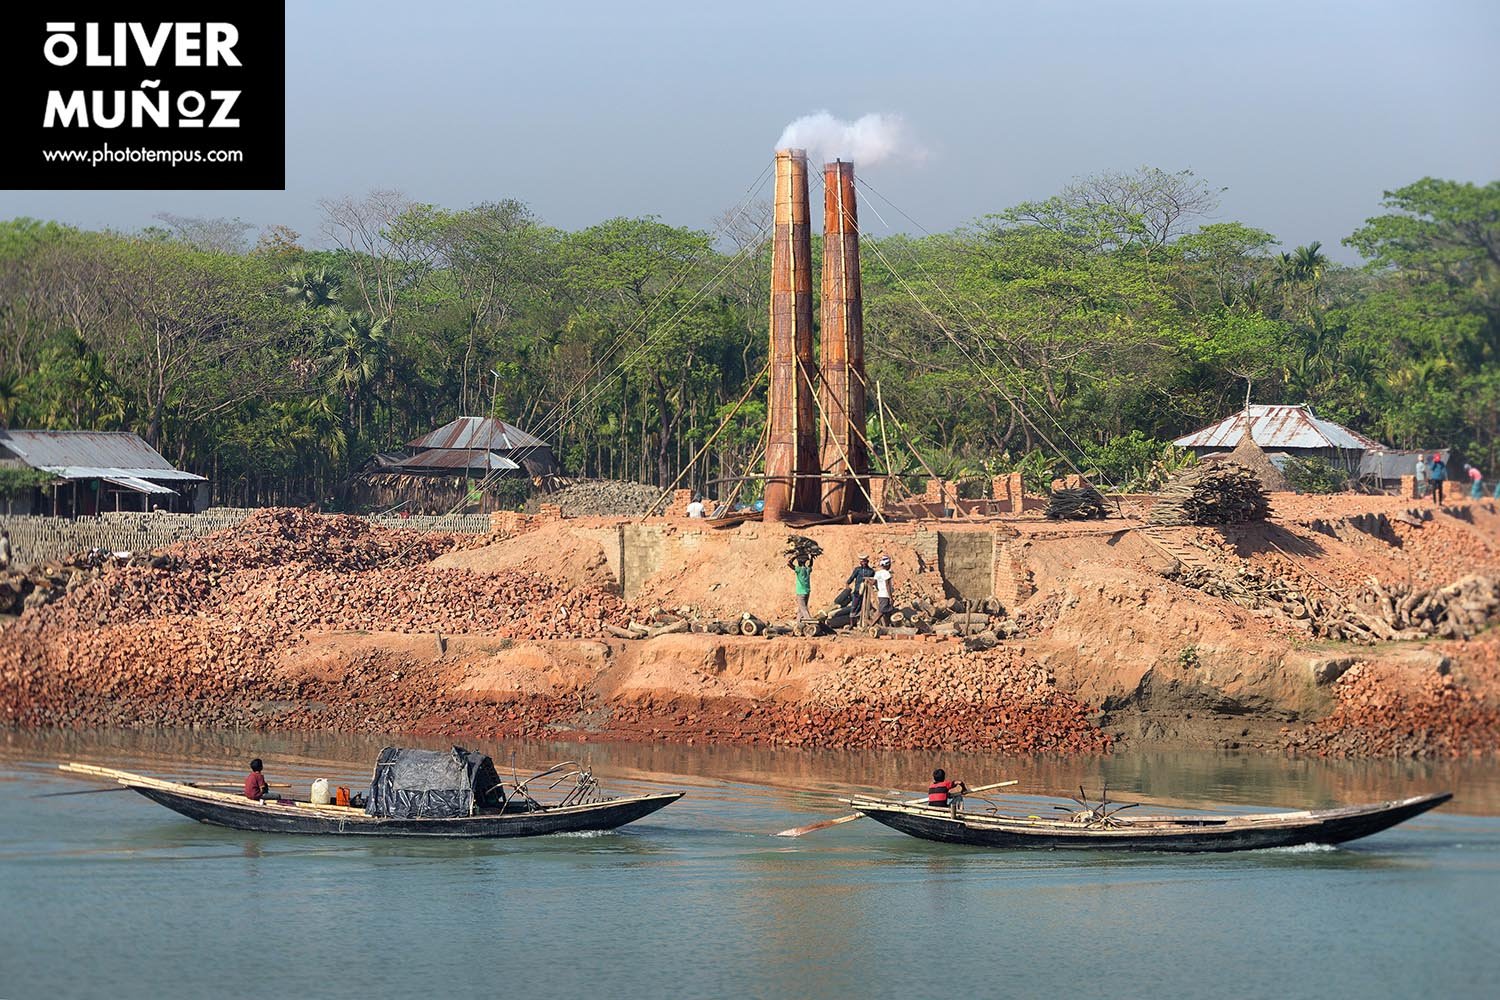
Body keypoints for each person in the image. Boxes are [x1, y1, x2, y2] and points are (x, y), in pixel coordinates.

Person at [844, 555, 874, 623]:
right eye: (862, 561)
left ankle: (863, 621)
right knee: (854, 606)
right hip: (857, 591)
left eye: (865, 561)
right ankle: (852, 623)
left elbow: (873, 580)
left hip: (866, 592)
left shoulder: (871, 571)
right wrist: (847, 584)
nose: (863, 563)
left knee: (864, 606)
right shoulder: (857, 570)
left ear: (867, 561)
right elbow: (852, 577)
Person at [788, 554, 813, 621]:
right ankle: (798, 623)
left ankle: (809, 620)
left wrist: (794, 556)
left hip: (800, 592)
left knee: (803, 608)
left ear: (799, 562)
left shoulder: (798, 569)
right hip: (807, 592)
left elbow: (789, 564)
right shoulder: (808, 569)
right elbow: (811, 565)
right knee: (800, 609)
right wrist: (810, 558)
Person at [873, 555, 894, 626]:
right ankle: (871, 625)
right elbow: (887, 586)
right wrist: (890, 597)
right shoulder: (887, 573)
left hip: (880, 594)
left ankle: (887, 626)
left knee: (887, 612)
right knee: (881, 612)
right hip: (886, 595)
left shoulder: (878, 573)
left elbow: (873, 582)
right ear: (887, 565)